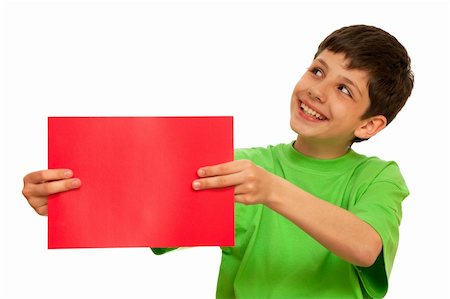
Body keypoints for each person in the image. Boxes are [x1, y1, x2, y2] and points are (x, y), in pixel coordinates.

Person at [22, 24, 414, 298]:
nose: (317, 91)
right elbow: (144, 205)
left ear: (369, 125)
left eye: (344, 89)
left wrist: (272, 191)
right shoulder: (244, 167)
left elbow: (367, 248)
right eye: (317, 71)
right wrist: (63, 201)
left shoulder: (377, 176)